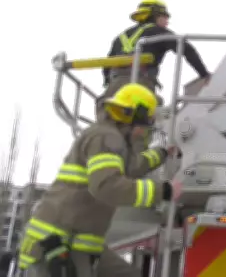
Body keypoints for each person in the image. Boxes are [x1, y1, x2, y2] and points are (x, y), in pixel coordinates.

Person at [17, 83, 180, 277]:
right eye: (146, 124)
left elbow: (131, 166)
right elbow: (107, 186)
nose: (145, 132)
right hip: (58, 244)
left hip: (79, 241)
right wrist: (165, 191)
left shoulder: (110, 138)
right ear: (134, 117)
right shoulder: (106, 137)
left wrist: (162, 153)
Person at [97, 0, 211, 116]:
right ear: (156, 16)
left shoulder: (121, 37)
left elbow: (107, 65)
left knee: (111, 117)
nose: (167, 22)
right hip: (140, 84)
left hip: (114, 88)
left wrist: (107, 82)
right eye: (165, 17)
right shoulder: (158, 32)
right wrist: (204, 74)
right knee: (144, 118)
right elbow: (187, 49)